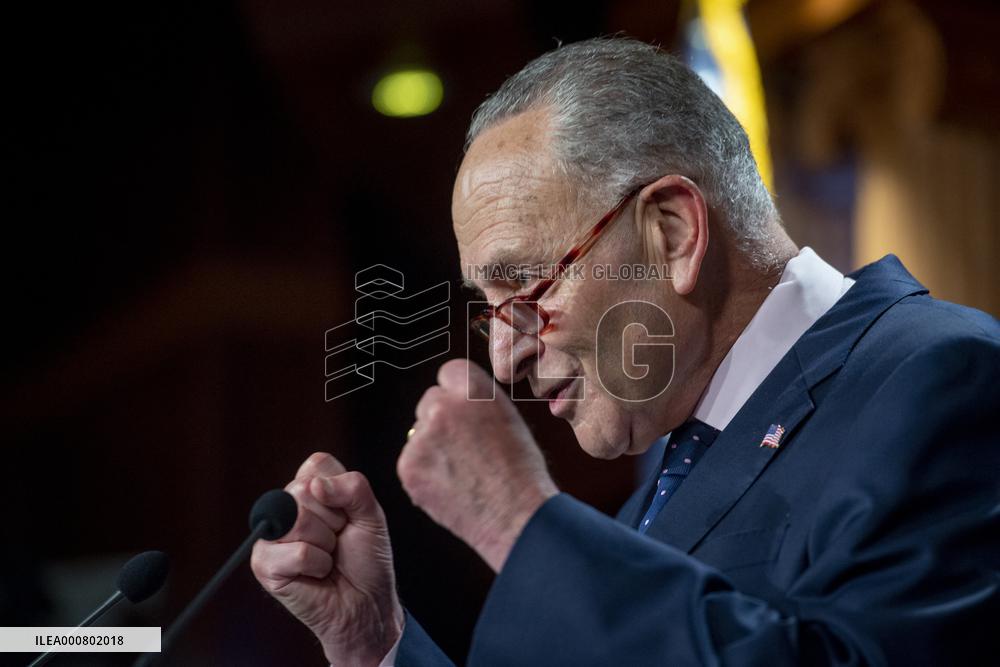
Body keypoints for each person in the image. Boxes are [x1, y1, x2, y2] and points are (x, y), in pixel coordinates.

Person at [250, 38, 1000, 666]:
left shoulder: (942, 376)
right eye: (491, 312)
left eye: (525, 288)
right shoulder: (642, 507)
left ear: (672, 232)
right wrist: (377, 640)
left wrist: (517, 520)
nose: (505, 357)